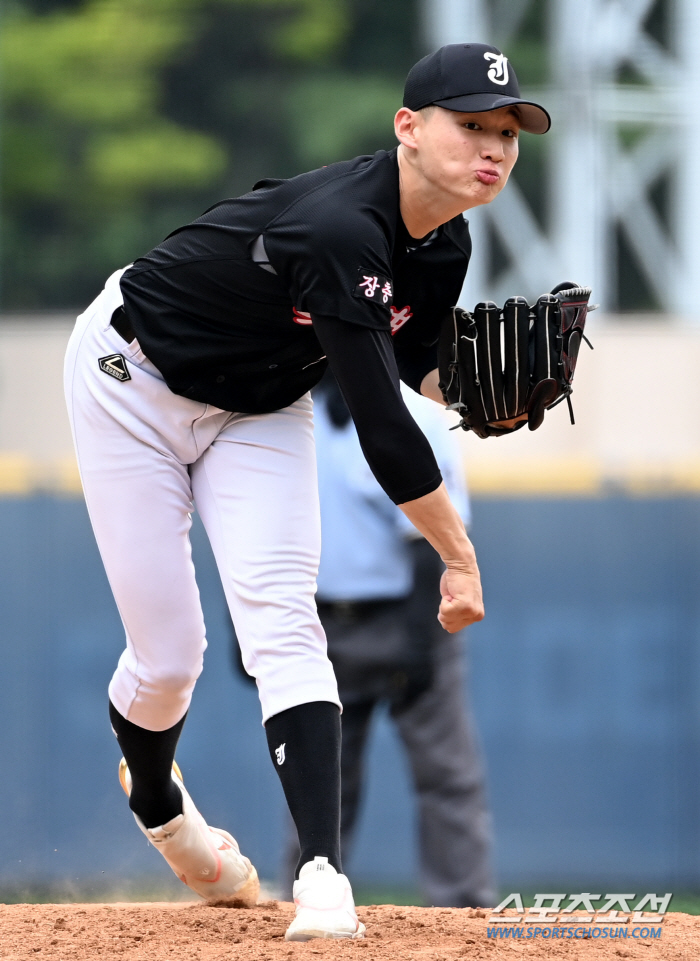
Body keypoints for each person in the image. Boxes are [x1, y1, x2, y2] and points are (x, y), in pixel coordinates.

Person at [63, 42, 549, 941]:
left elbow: (412, 364)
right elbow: (382, 424)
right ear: (407, 127)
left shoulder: (448, 238)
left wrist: (490, 400)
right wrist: (458, 554)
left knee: (284, 617)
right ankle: (163, 802)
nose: (495, 146)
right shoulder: (340, 225)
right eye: (472, 125)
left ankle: (323, 876)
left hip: (259, 402)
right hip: (132, 381)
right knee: (171, 657)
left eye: (510, 131)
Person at [276, 373, 496, 908]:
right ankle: (308, 902)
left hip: (411, 616)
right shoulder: (280, 412)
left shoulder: (417, 414)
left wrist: (419, 642)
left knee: (447, 777)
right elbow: (258, 535)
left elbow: (430, 544)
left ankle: (463, 913)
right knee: (318, 783)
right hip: (319, 626)